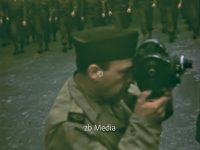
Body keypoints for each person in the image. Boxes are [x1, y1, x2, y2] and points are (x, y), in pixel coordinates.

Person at [44, 27, 173, 150]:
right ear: (95, 73)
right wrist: (143, 126)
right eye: (125, 72)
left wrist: (157, 88)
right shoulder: (70, 127)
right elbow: (143, 123)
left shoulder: (108, 88)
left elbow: (149, 108)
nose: (131, 79)